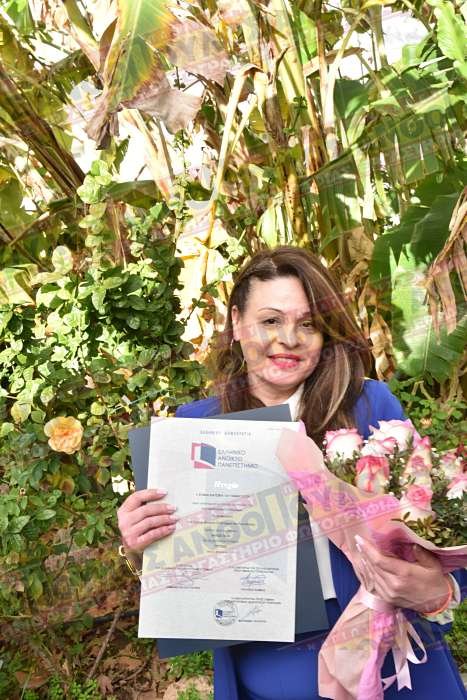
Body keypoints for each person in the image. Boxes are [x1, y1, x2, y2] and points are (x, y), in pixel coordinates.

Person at [117, 246, 465, 699]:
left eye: (308, 324)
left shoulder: (370, 407)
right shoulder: (196, 424)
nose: (289, 339)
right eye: (270, 320)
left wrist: (438, 589)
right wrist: (141, 543)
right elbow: (183, 569)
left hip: (389, 671)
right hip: (263, 670)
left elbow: (438, 530)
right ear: (237, 323)